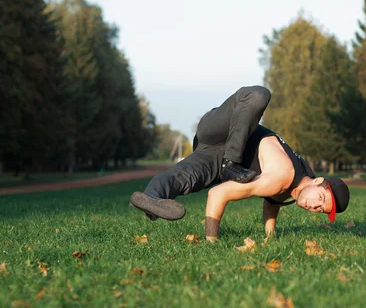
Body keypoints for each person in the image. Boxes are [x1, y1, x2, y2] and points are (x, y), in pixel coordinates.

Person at [130, 85, 350, 242]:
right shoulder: (282, 177)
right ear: (318, 181)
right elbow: (217, 194)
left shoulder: (300, 181)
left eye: (320, 210)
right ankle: (230, 163)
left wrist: (269, 236)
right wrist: (211, 243)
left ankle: (152, 198)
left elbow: (273, 201)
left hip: (212, 156)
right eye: (320, 199)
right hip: (224, 131)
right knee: (258, 95)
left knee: (181, 178)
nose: (314, 207)